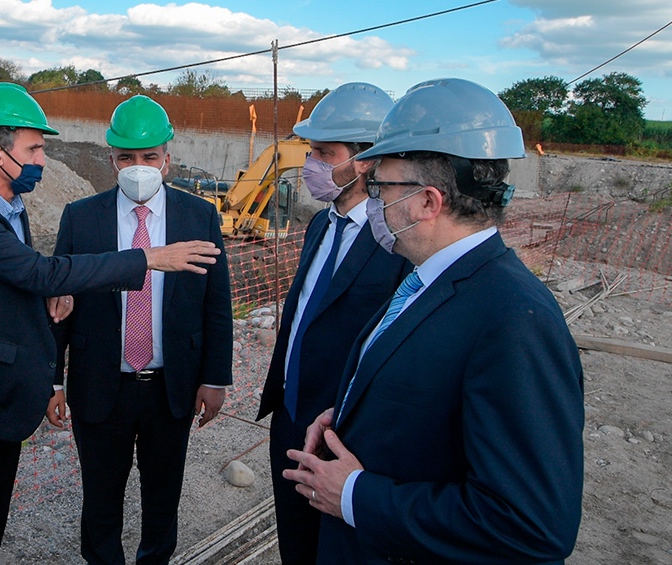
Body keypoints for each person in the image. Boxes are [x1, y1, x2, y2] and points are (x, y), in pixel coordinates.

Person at [284, 78, 584, 563]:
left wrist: (357, 496)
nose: (373, 199)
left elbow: (532, 525)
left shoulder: (513, 319)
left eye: (381, 185)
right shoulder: (429, 280)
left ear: (428, 201)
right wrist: (354, 416)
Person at [0, 83, 221, 565]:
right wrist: (146, 259)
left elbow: (25, 280)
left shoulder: (9, 205)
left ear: (167, 157)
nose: (44, 156)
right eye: (36, 148)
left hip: (156, 386)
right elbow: (40, 273)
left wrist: (51, 290)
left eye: (150, 155)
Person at [52, 95, 233, 565]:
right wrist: (53, 378)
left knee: (162, 497)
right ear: (111, 158)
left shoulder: (200, 217)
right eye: (127, 157)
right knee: (100, 500)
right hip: (100, 385)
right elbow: (59, 307)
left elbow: (217, 303)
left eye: (149, 157)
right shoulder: (81, 218)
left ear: (167, 159)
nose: (138, 167)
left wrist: (216, 377)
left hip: (169, 388)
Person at [254, 83, 411, 564]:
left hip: (347, 437)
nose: (312, 164)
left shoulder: (398, 242)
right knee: (296, 547)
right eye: (312, 151)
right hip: (292, 418)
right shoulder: (321, 224)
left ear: (364, 161)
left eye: (326, 153)